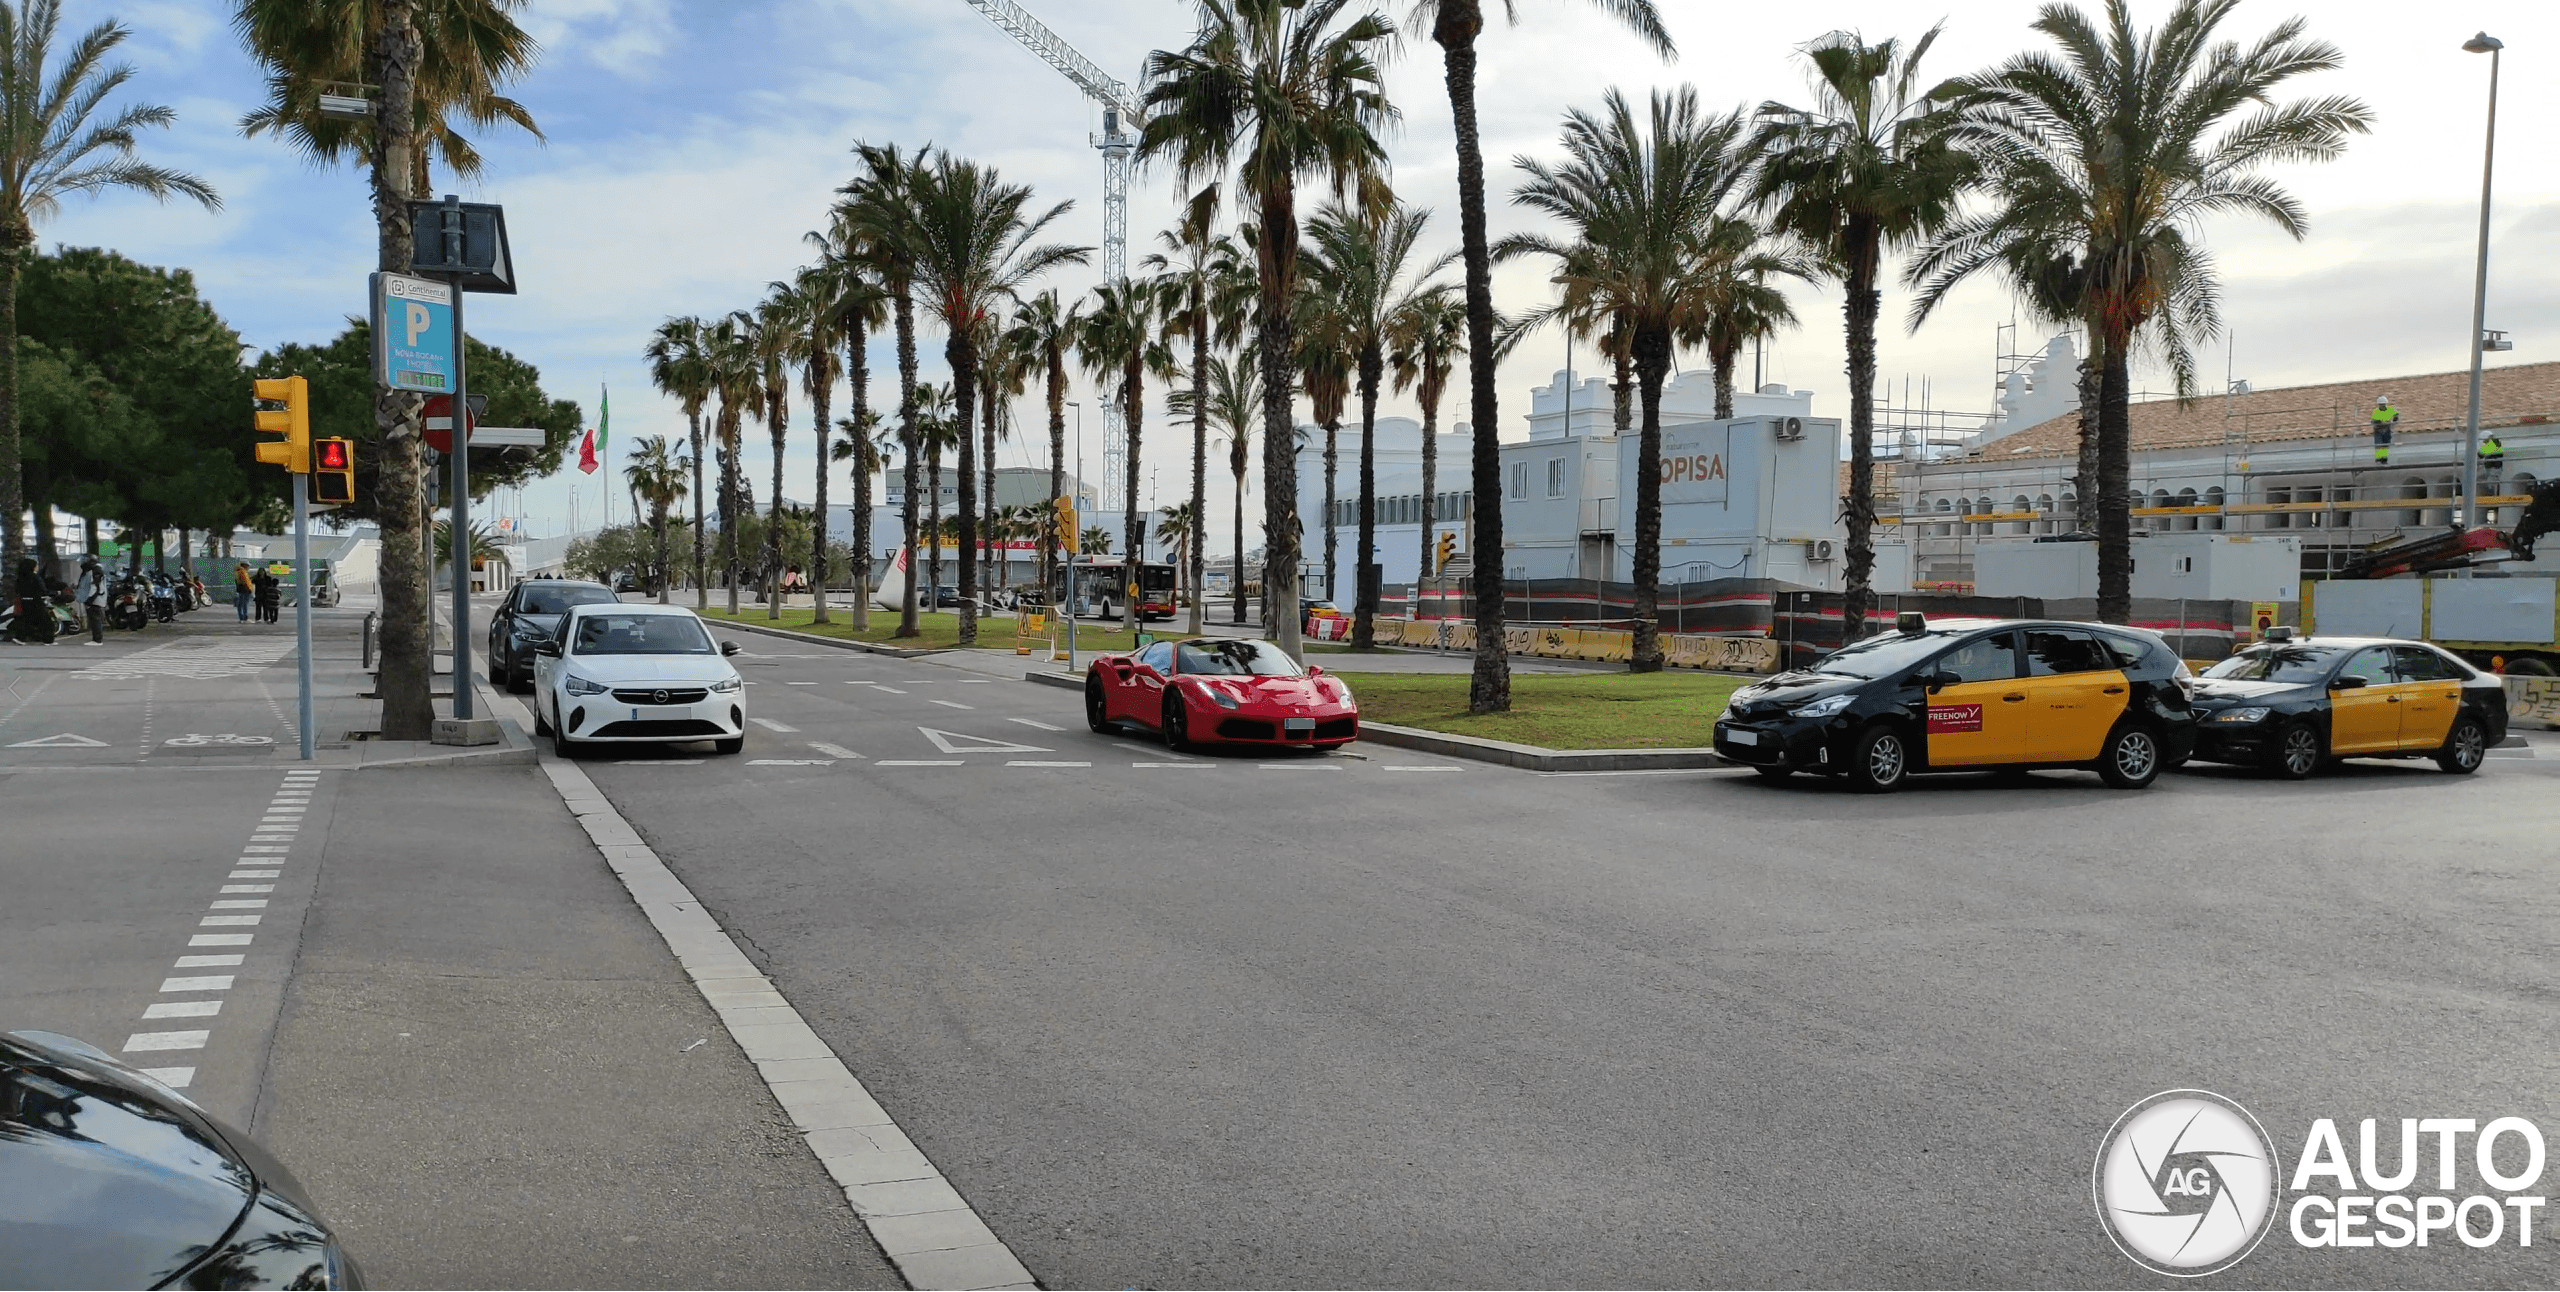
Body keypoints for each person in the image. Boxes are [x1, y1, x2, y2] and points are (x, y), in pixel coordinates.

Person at [11, 556, 54, 643]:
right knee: (46, 622)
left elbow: (17, 590)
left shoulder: (20, 578)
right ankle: (48, 640)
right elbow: (42, 589)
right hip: (36, 601)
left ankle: (20, 638)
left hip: (24, 601)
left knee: (26, 621)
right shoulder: (35, 577)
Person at [73, 555, 106, 645]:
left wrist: (90, 599)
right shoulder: (91, 571)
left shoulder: (95, 571)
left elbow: (95, 586)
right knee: (93, 618)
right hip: (92, 598)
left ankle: (97, 640)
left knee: (95, 618)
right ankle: (96, 639)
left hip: (94, 598)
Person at [2371, 396, 2398, 465]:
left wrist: (2394, 421)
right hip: (2378, 431)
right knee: (2379, 444)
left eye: (2384, 405)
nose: (2382, 406)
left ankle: (2384, 459)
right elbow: (2375, 421)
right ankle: (2379, 459)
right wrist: (2381, 423)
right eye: (2381, 405)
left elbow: (2396, 415)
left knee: (2386, 445)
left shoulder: (2390, 410)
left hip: (2387, 430)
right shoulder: (2376, 412)